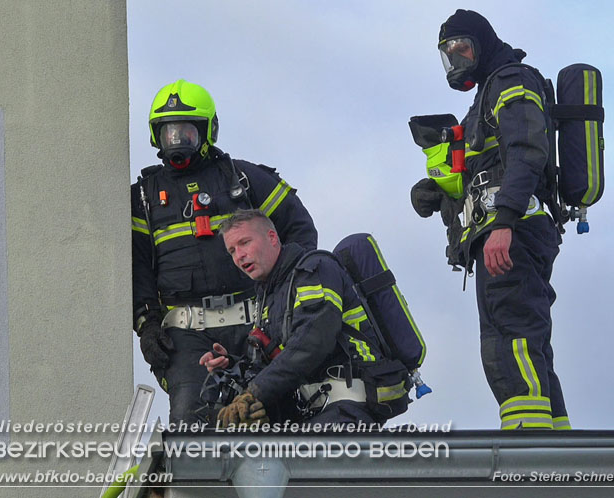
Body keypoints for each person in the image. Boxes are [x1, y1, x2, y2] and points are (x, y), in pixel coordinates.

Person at [412, 9, 569, 430]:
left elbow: (527, 150)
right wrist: (439, 194)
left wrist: (503, 224)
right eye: (448, 53)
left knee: (510, 333)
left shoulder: (510, 80)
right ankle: (555, 439)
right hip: (505, 227)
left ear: (481, 43)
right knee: (525, 335)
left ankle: (529, 440)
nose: (456, 58)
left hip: (511, 231)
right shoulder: (483, 97)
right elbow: (478, 177)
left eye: (461, 47)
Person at [131, 80, 317, 424]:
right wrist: (147, 324)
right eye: (170, 133)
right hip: (185, 337)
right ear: (156, 136)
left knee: (275, 416)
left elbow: (300, 229)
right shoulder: (142, 198)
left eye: (187, 133)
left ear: (207, 131)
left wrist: (286, 296)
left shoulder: (244, 178)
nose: (178, 142)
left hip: (257, 325)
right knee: (193, 419)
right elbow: (138, 268)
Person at [201, 209, 410, 428]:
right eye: (232, 251)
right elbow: (274, 361)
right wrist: (231, 366)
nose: (239, 256)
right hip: (310, 415)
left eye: (244, 243)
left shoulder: (314, 269)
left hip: (347, 406)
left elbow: (312, 341)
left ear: (272, 238)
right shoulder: (268, 296)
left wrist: (256, 391)